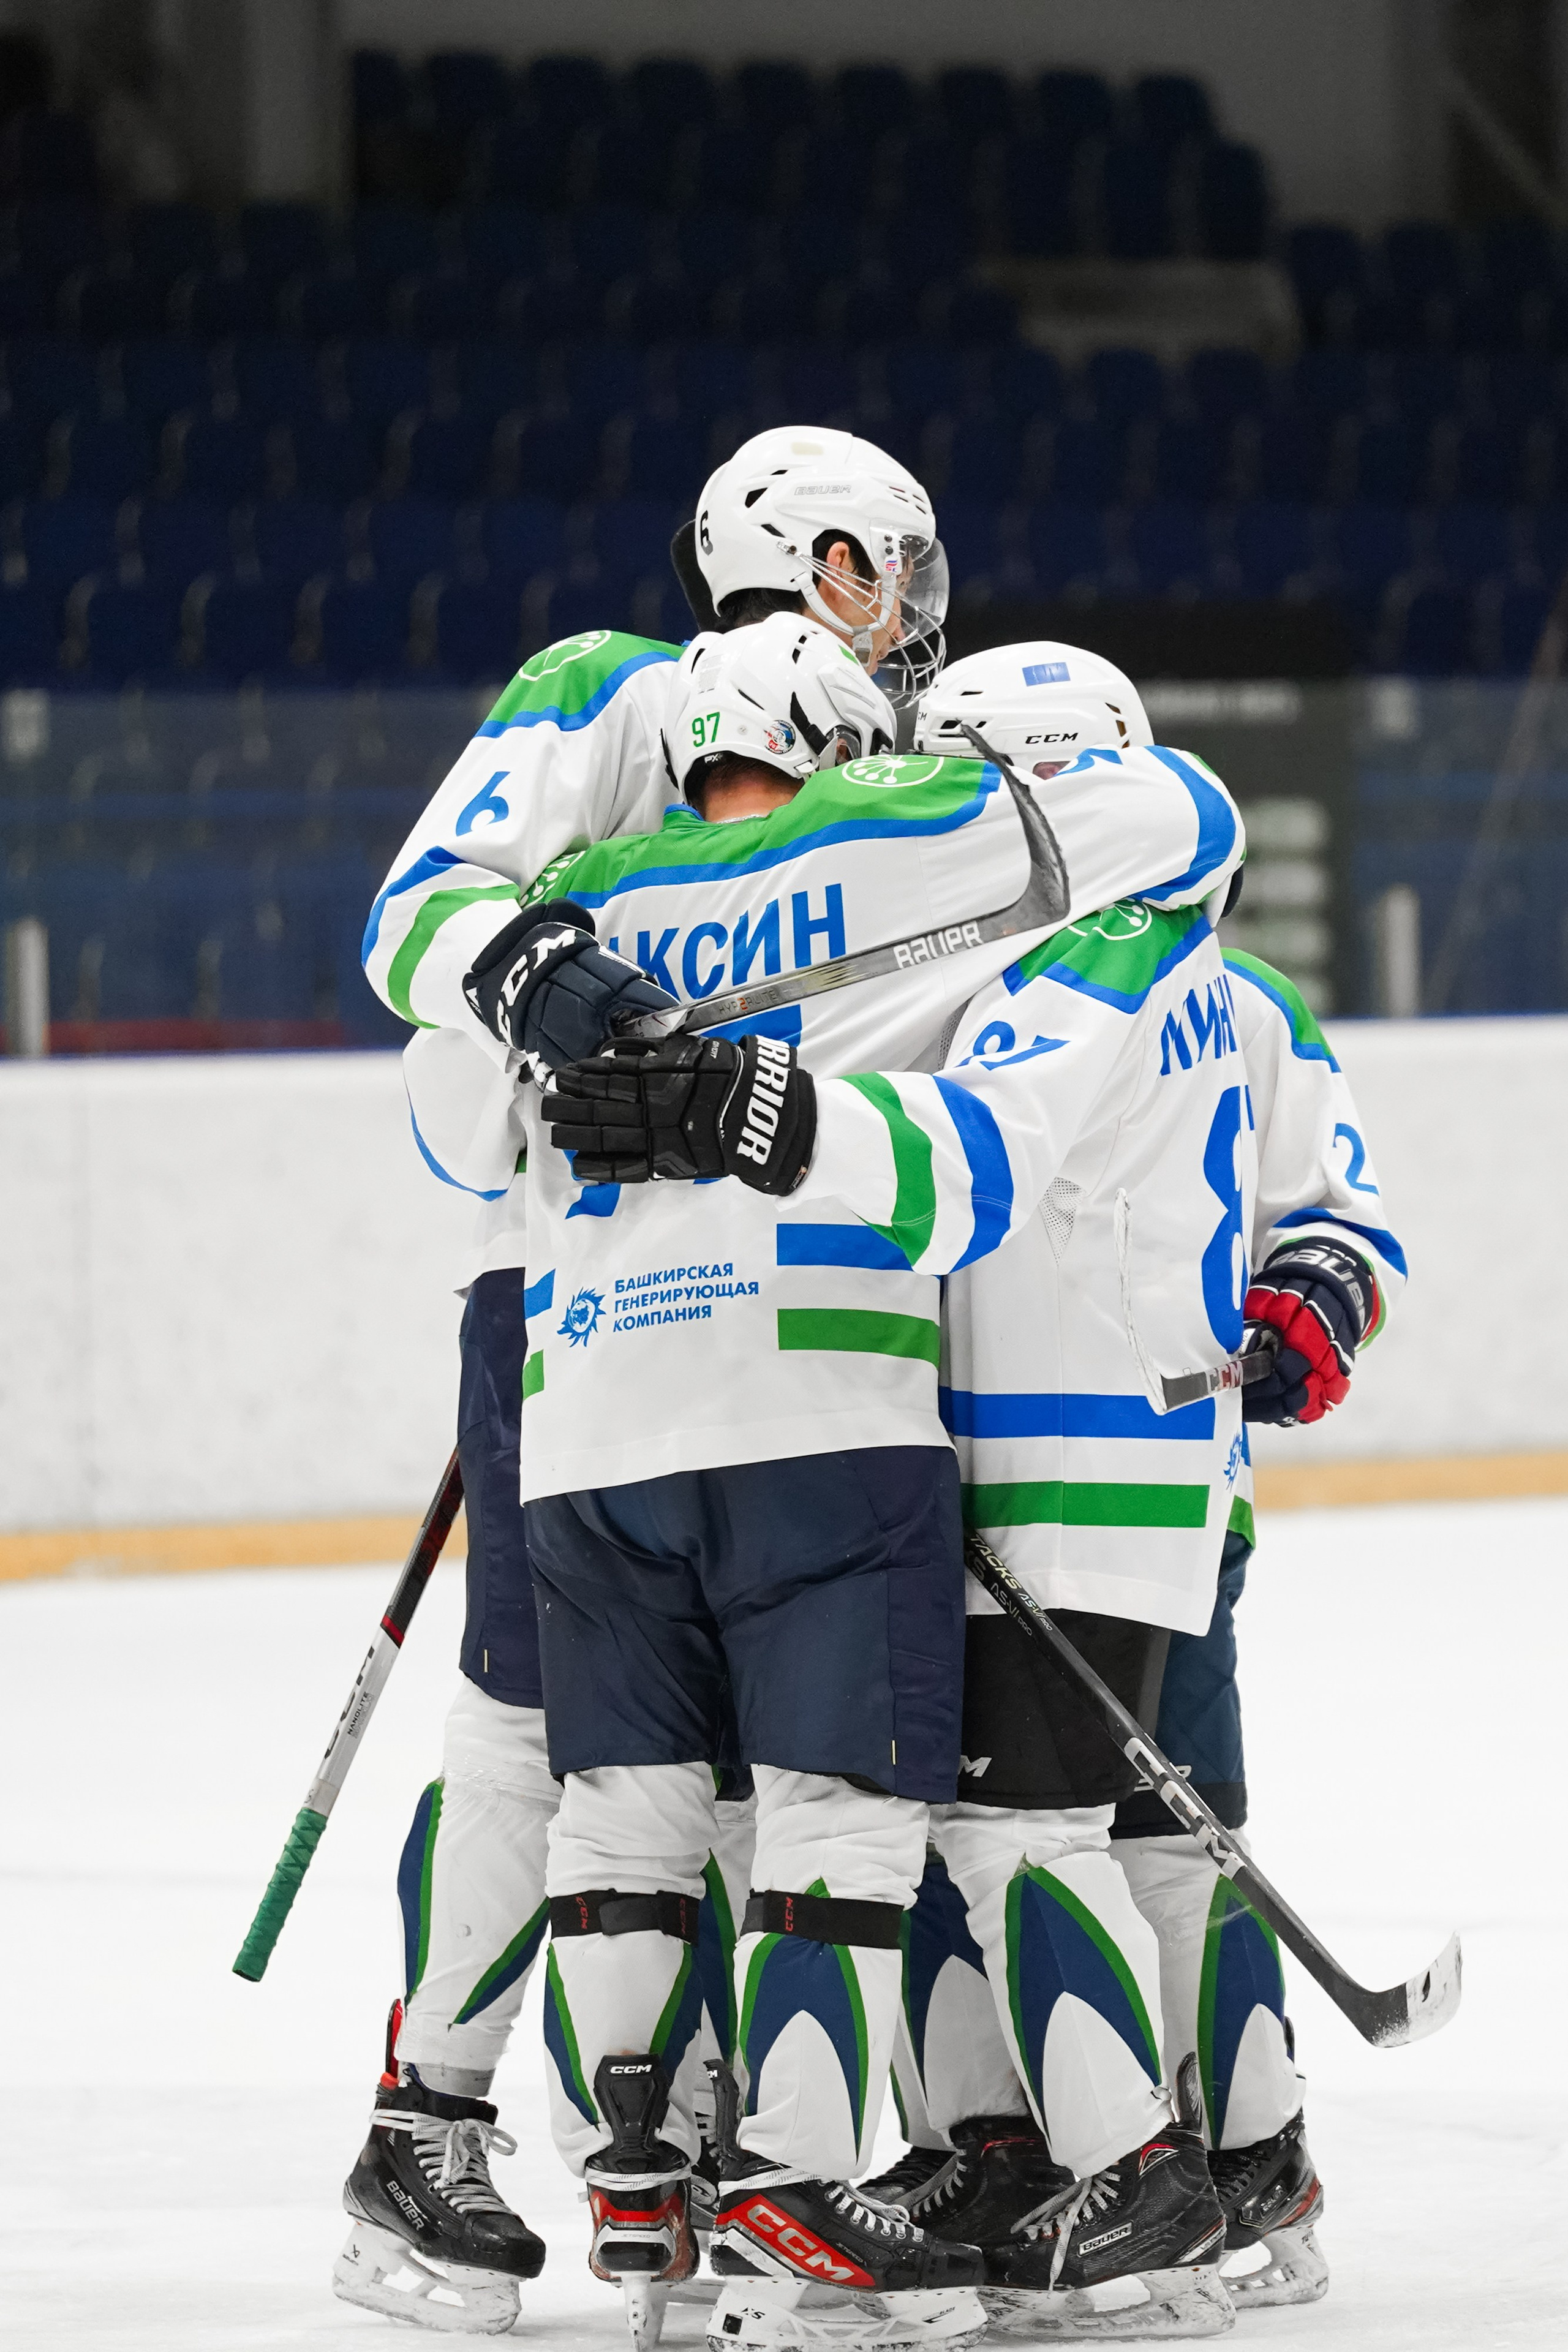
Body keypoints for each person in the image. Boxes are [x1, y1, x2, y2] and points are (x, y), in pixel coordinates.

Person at [522, 616, 1248, 2348]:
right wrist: (759, 1098)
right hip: (840, 1407)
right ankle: (815, 2191)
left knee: (625, 1820)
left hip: (592, 1413)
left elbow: (461, 1140)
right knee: (860, 1827)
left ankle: (646, 2187)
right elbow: (970, 1179)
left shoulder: (580, 906)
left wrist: (653, 1088)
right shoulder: (931, 906)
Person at [334, 426, 949, 2336]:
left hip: (756, 1301)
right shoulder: (619, 686)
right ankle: (425, 2125)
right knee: (546, 1736)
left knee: (731, 1760)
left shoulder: (883, 759)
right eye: (888, 561)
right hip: (583, 1292)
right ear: (805, 548)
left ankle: (700, 2133)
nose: (911, 604)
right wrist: (536, 988)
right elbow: (422, 912)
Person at [854, 644, 1404, 2322]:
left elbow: (1345, 1217)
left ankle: (1157, 2159)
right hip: (1092, 1479)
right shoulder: (1048, 978)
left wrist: (1315, 1297)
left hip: (1082, 1481)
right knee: (1149, 1838)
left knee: (1052, 1832)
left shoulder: (1189, 992)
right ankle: (1174, 2154)